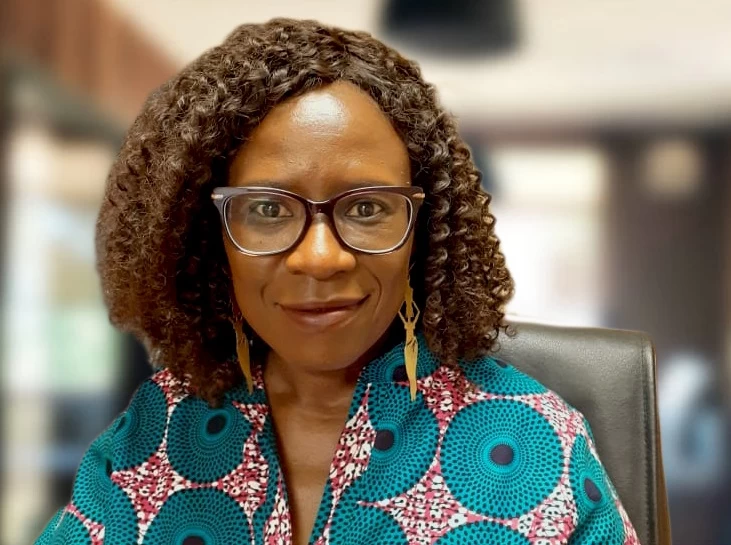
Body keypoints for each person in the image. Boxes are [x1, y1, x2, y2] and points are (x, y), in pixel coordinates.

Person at [35, 18, 639, 545]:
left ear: (423, 228)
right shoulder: (154, 434)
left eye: (367, 207)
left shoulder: (537, 449)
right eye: (267, 209)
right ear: (207, 235)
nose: (320, 258)